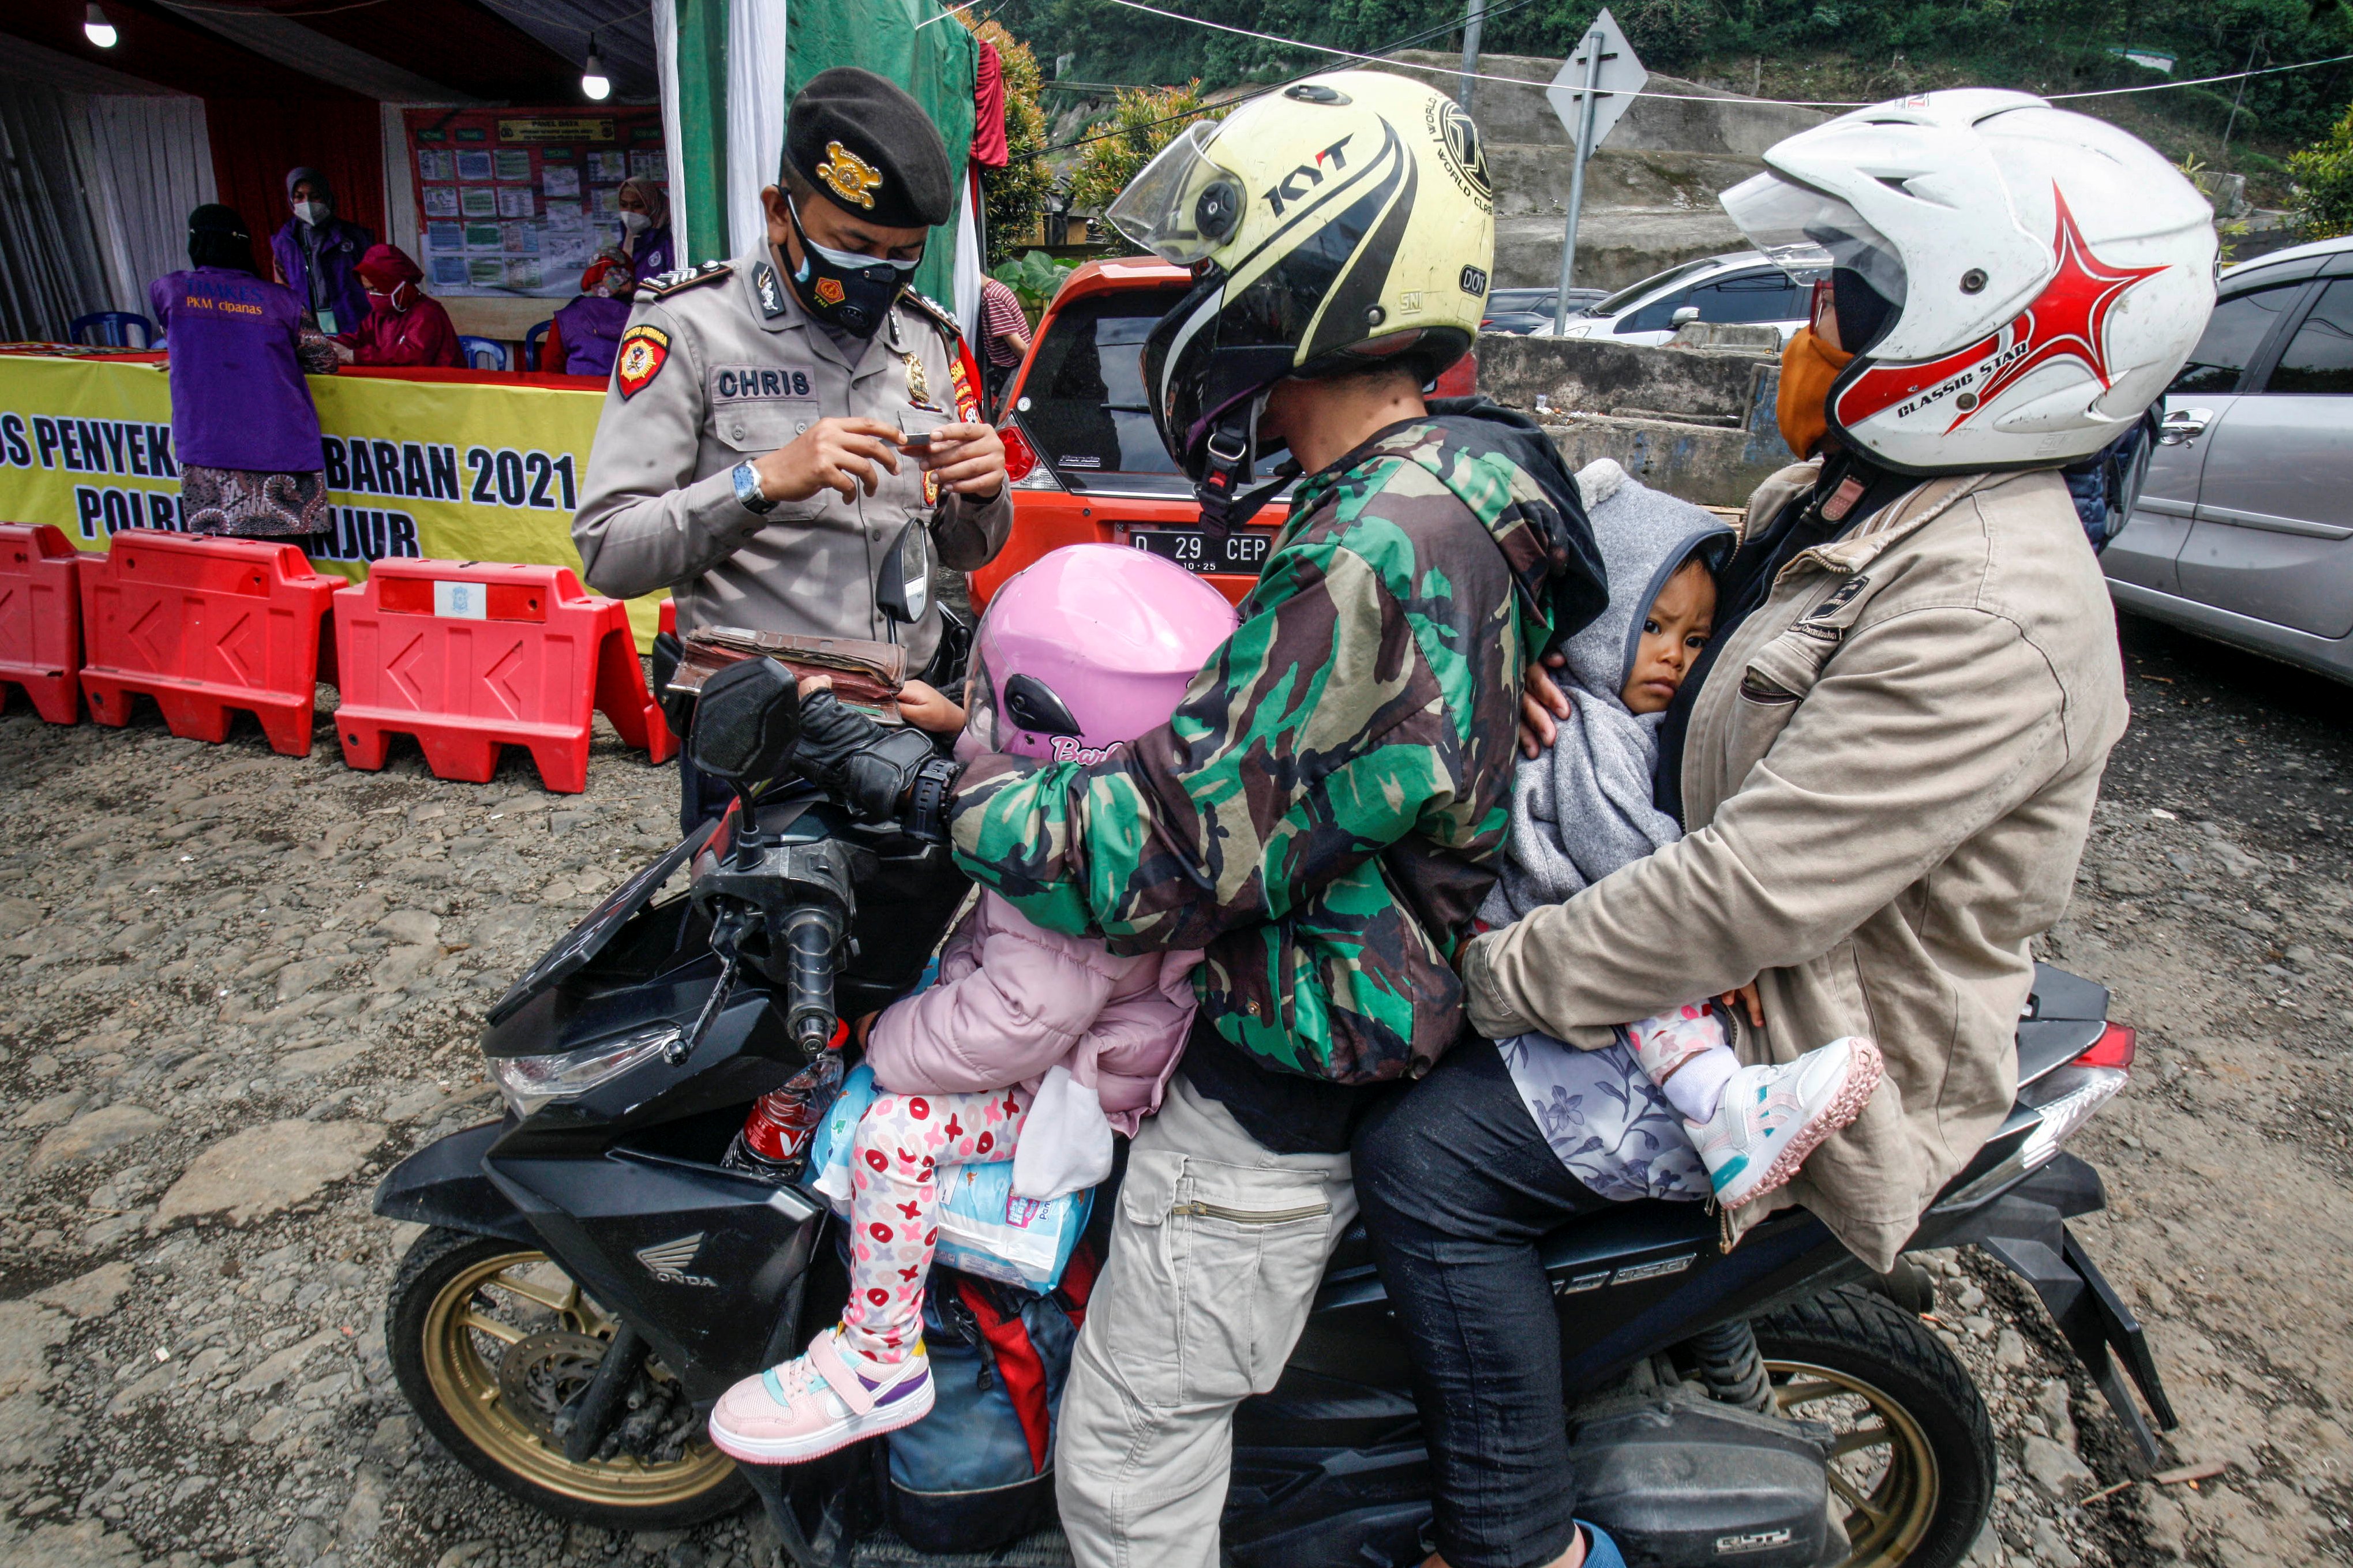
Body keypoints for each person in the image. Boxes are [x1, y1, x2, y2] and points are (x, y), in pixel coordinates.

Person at [1350, 89, 2216, 1568]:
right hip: (1694, 956)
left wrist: (1480, 981)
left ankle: (1511, 1537)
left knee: (1424, 1162)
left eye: (1857, 290)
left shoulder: (1989, 606)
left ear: (1992, 333)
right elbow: (1676, 673)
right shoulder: (1839, 500)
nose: (1815, 320)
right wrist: (1548, 681)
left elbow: (1751, 892)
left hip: (1794, 1032)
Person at [770, 71, 1612, 1568]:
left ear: (1315, 272)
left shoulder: (1370, 547)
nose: (1203, 305)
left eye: (1223, 267)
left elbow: (1165, 852)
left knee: (1124, 1458)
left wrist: (950, 784)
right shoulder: (1466, 476)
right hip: (1388, 996)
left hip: (1279, 1078)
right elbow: (1288, 752)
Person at [705, 545, 1234, 1465]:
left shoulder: (1064, 885)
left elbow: (1014, 1023)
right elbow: (1026, 776)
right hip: (1062, 1032)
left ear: (1053, 718)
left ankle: (879, 1356)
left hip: (1066, 1086)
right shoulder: (1118, 808)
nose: (982, 707)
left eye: (997, 699)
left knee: (890, 1134)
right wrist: (944, 737)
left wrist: (884, 1036)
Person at [570, 67, 1011, 831]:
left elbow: (965, 551)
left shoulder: (925, 340)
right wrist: (761, 480)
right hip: (769, 743)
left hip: (908, 729)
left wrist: (982, 492)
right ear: (780, 213)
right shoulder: (691, 328)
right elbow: (610, 551)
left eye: (902, 254)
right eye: (854, 245)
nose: (876, 274)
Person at [1480, 457, 1880, 1214]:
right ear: (1599, 621)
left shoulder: (1627, 719)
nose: (1674, 655)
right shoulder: (1586, 723)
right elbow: (1618, 844)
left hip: (1559, 919)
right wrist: (1709, 941)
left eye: (1696, 639)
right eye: (1652, 627)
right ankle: (1718, 1107)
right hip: (1535, 910)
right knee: (1659, 987)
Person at [150, 204, 339, 541]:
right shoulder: (282, 300)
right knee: (287, 559)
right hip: (280, 445)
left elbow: (183, 340)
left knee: (223, 557)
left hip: (208, 447)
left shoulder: (169, 290)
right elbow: (323, 361)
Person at [270, 166, 373, 337]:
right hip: (308, 328)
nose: (307, 203)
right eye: (299, 197)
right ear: (291, 200)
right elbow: (283, 292)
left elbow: (372, 285)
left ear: (327, 196)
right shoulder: (285, 243)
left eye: (315, 196)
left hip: (354, 322)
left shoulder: (355, 237)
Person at [334, 243, 463, 369]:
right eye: (368, 290)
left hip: (440, 382)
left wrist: (355, 356)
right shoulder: (380, 314)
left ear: (400, 285)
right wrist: (331, 345)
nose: (372, 295)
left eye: (376, 289)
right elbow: (359, 339)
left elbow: (411, 357)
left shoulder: (428, 313)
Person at [539, 247, 635, 377]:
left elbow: (550, 370)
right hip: (628, 389)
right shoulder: (643, 315)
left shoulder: (568, 316)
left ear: (590, 275)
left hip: (580, 389)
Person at [977, 273, 1029, 411]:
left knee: (1003, 415)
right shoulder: (998, 288)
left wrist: (1032, 369)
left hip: (1017, 367)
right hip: (1018, 365)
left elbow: (1020, 347)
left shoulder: (992, 298)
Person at [615, 175, 675, 283]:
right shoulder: (624, 246)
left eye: (637, 206)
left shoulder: (669, 245)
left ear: (653, 206)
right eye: (624, 205)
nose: (629, 212)